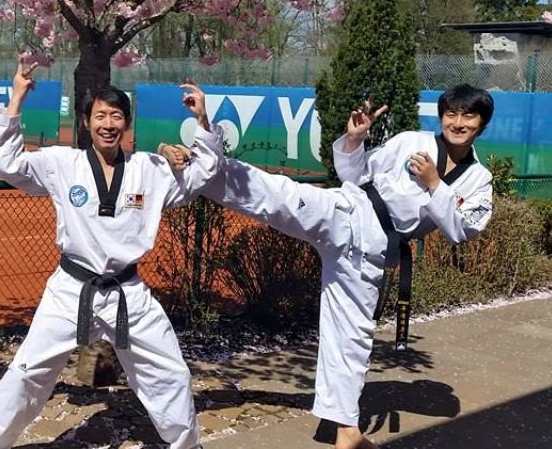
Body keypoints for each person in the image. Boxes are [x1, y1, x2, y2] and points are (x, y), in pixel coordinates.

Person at [160, 85, 494, 449]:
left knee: (351, 337)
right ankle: (200, 163)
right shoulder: (412, 142)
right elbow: (354, 173)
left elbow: (460, 230)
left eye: (468, 116)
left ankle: (346, 430)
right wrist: (354, 140)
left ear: (482, 123)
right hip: (348, 212)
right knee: (279, 195)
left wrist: (434, 184)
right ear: (441, 116)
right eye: (451, 114)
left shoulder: (480, 181)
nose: (457, 122)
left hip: (373, 251)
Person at [0, 62, 224, 449]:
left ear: (127, 124)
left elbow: (201, 176)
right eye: (100, 116)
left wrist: (202, 120)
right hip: (70, 290)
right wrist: (17, 97)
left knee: (171, 375)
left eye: (116, 116)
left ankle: (187, 445)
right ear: (86, 123)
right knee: (26, 374)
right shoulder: (62, 164)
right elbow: (9, 164)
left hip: (128, 294)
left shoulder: (149, 169)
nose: (108, 124)